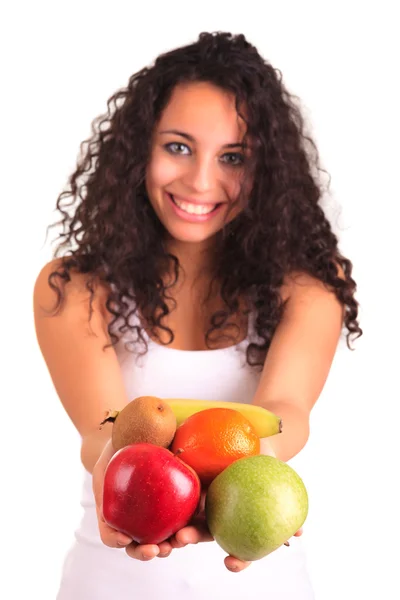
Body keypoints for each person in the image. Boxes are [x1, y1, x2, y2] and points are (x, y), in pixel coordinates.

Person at [33, 31, 362, 600]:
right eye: (178, 147)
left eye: (233, 158)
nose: (201, 182)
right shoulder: (73, 289)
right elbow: (101, 428)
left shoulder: (308, 288)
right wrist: (113, 463)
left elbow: (285, 411)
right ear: (139, 149)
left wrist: (252, 468)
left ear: (266, 174)